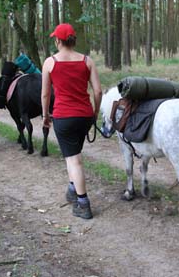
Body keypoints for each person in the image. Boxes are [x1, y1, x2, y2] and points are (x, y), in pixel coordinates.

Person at [41, 23, 102, 220]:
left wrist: (45, 116)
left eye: (55, 39)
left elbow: (45, 94)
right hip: (84, 115)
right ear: (73, 40)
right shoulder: (87, 61)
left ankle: (83, 203)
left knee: (74, 159)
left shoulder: (50, 63)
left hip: (63, 116)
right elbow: (98, 91)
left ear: (58, 41)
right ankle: (71, 189)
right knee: (72, 155)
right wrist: (95, 112)